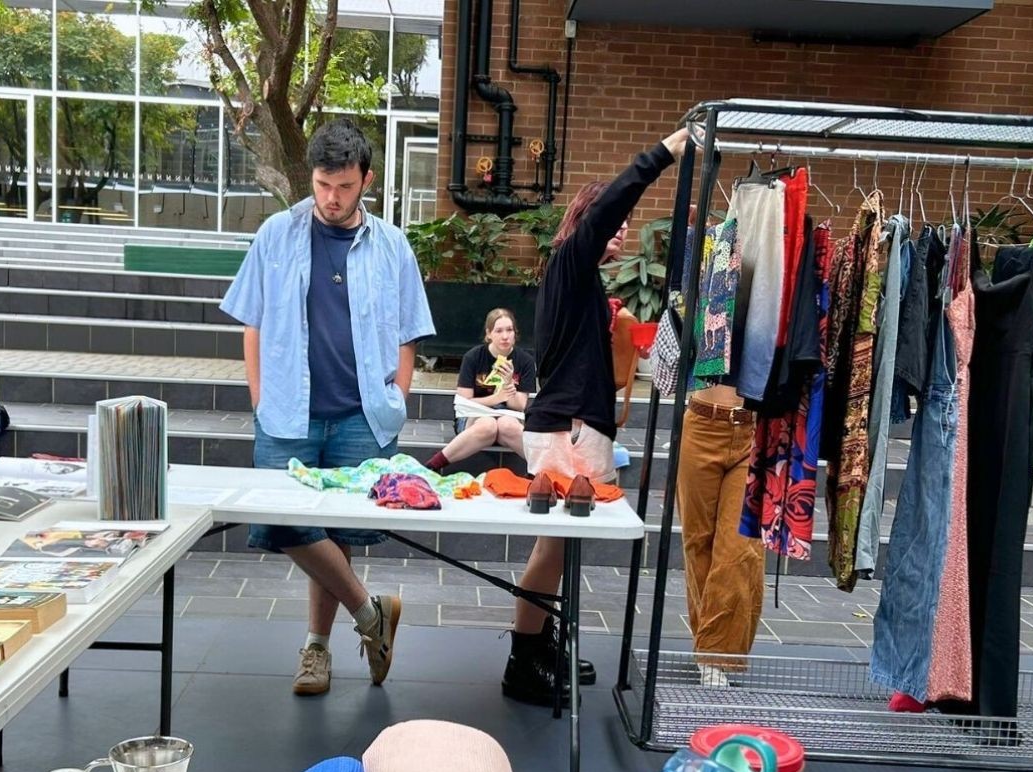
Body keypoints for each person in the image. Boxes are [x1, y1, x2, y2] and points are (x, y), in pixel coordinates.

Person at [220, 119, 434, 697]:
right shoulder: (276, 234)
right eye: (321, 185)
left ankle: (316, 648)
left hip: (362, 413)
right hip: (287, 412)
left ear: (365, 178)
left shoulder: (392, 245)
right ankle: (371, 615)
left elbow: (410, 331)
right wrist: (260, 398)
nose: (331, 198)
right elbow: (252, 321)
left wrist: (398, 397)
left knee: (333, 534)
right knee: (286, 520)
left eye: (342, 186)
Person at [504, 126, 693, 705]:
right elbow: (610, 206)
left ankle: (538, 647)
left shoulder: (578, 279)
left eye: (624, 229)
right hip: (568, 430)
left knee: (560, 549)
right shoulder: (569, 261)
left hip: (573, 426)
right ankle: (523, 659)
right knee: (554, 548)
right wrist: (663, 153)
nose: (621, 231)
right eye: (611, 223)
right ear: (586, 222)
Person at [425, 308, 536, 472]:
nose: (505, 336)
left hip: (509, 416)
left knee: (507, 425)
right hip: (474, 416)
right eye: (499, 331)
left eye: (509, 330)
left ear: (515, 333)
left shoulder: (525, 361)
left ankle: (544, 470)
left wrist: (507, 383)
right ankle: (432, 466)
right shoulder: (474, 357)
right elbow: (464, 402)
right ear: (489, 334)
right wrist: (497, 398)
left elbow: (520, 405)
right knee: (488, 425)